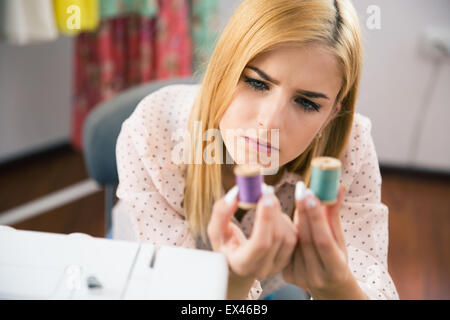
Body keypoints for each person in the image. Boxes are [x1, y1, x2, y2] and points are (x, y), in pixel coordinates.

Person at [112, 0, 399, 300]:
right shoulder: (154, 133)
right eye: (256, 82)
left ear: (330, 115)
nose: (270, 124)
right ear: (224, 68)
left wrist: (337, 288)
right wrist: (236, 283)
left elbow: (371, 282)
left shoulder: (349, 149)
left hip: (267, 288)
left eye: (307, 103)